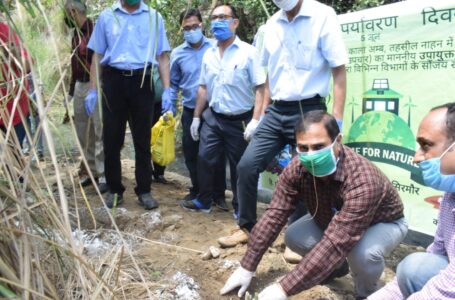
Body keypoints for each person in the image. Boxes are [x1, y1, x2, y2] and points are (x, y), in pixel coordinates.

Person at [220, 111, 408, 299]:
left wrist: (283, 289)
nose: (310, 156)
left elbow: (336, 243)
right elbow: (274, 214)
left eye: (319, 146)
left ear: (338, 141)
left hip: (382, 224)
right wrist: (247, 266)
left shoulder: (363, 180)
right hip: (335, 218)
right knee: (294, 236)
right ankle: (335, 268)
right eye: (303, 148)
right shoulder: (297, 169)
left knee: (363, 254)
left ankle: (366, 293)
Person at [219, 0, 348, 246]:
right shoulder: (271, 24)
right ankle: (247, 226)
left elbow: (338, 71)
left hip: (309, 109)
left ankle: (295, 237)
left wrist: (336, 120)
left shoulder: (322, 15)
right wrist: (259, 116)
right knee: (246, 165)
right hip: (276, 110)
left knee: (304, 172)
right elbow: (271, 75)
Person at [180, 4, 265, 213]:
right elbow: (203, 87)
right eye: (214, 17)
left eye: (223, 17)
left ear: (235, 22)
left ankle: (240, 207)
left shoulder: (249, 53)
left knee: (239, 166)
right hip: (214, 117)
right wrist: (197, 117)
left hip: (240, 118)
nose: (218, 21)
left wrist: (256, 120)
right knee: (204, 158)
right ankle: (204, 200)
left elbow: (262, 88)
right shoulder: (209, 54)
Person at [87, 0, 171, 209]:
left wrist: (168, 89)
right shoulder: (106, 17)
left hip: (142, 81)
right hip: (113, 81)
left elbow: (162, 56)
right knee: (111, 140)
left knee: (142, 139)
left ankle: (144, 190)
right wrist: (93, 89)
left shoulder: (154, 17)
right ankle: (115, 190)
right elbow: (97, 56)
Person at [369, 103, 455, 300]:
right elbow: (437, 254)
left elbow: (448, 286)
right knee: (416, 267)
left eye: (426, 145)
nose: (417, 157)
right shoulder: (450, 195)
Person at [166, 8, 227, 207]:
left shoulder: (216, 47)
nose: (191, 30)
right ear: (182, 30)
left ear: (202, 25)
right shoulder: (177, 54)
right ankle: (198, 190)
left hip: (214, 110)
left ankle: (218, 194)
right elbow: (173, 84)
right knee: (191, 153)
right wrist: (170, 107)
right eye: (187, 28)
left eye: (195, 26)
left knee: (215, 154)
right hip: (190, 110)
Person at [64, 0, 107, 193]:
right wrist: (71, 93)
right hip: (80, 86)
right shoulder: (75, 34)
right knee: (83, 131)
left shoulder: (95, 30)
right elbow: (74, 66)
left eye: (67, 13)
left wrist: (94, 88)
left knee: (99, 129)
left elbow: (99, 61)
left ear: (74, 11)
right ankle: (89, 171)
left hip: (96, 85)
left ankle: (103, 173)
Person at [0, 21, 30, 160]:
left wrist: (15, 54)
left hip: (14, 112)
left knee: (13, 160)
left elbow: (28, 65)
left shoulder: (5, 30)